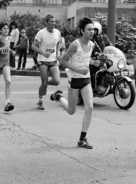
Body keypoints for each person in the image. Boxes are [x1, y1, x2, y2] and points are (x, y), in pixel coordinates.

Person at [50, 17, 100, 149]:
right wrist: (78, 70)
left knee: (89, 107)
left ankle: (82, 139)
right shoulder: (74, 45)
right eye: (89, 29)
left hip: (86, 79)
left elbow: (84, 59)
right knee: (71, 110)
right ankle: (58, 97)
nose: (92, 32)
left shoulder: (92, 45)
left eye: (93, 30)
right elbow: (64, 62)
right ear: (82, 31)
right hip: (74, 80)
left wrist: (93, 62)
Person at [32, 14, 62, 110]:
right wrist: (43, 52)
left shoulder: (57, 32)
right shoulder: (41, 33)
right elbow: (33, 46)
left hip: (53, 60)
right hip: (42, 60)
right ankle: (40, 101)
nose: (53, 23)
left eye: (54, 21)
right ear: (47, 23)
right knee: (44, 82)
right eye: (51, 22)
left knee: (57, 81)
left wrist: (57, 53)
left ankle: (44, 85)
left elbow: (58, 43)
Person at [90, 21, 112, 86]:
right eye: (92, 30)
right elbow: (88, 49)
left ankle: (109, 83)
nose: (93, 31)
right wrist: (94, 53)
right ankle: (92, 86)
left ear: (99, 30)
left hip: (104, 58)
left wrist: (113, 51)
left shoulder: (105, 39)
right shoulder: (90, 39)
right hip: (94, 58)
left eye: (95, 30)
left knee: (110, 67)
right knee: (92, 69)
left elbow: (110, 46)